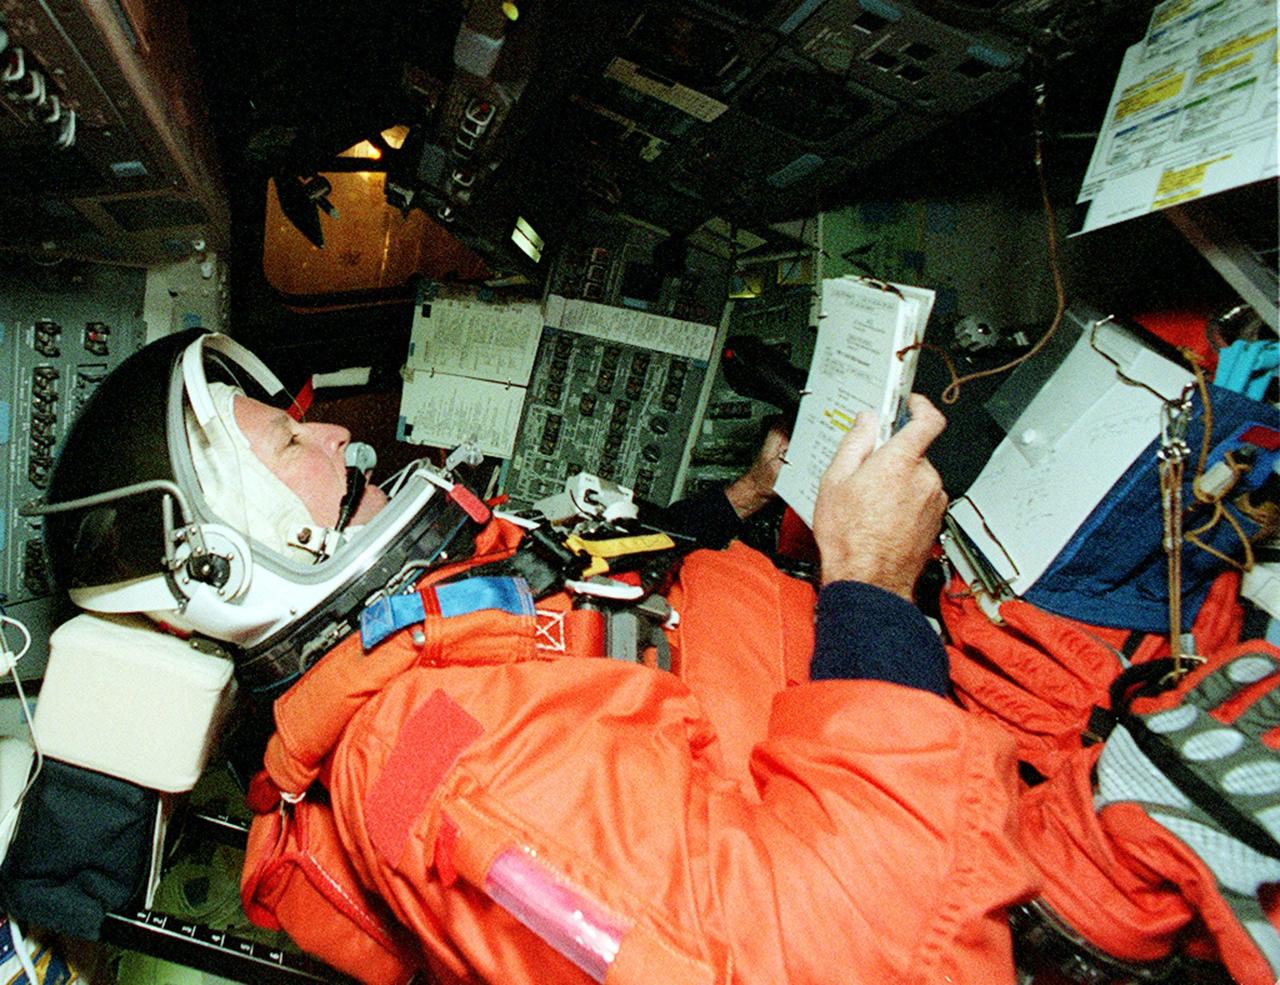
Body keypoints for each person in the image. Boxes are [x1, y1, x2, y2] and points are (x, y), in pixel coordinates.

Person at [38, 330, 1035, 984]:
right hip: (967, 837)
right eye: (292, 440)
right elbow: (853, 956)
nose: (338, 431)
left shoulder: (425, 633)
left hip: (929, 730)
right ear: (223, 562)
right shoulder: (436, 758)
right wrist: (869, 588)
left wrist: (744, 497)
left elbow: (591, 588)